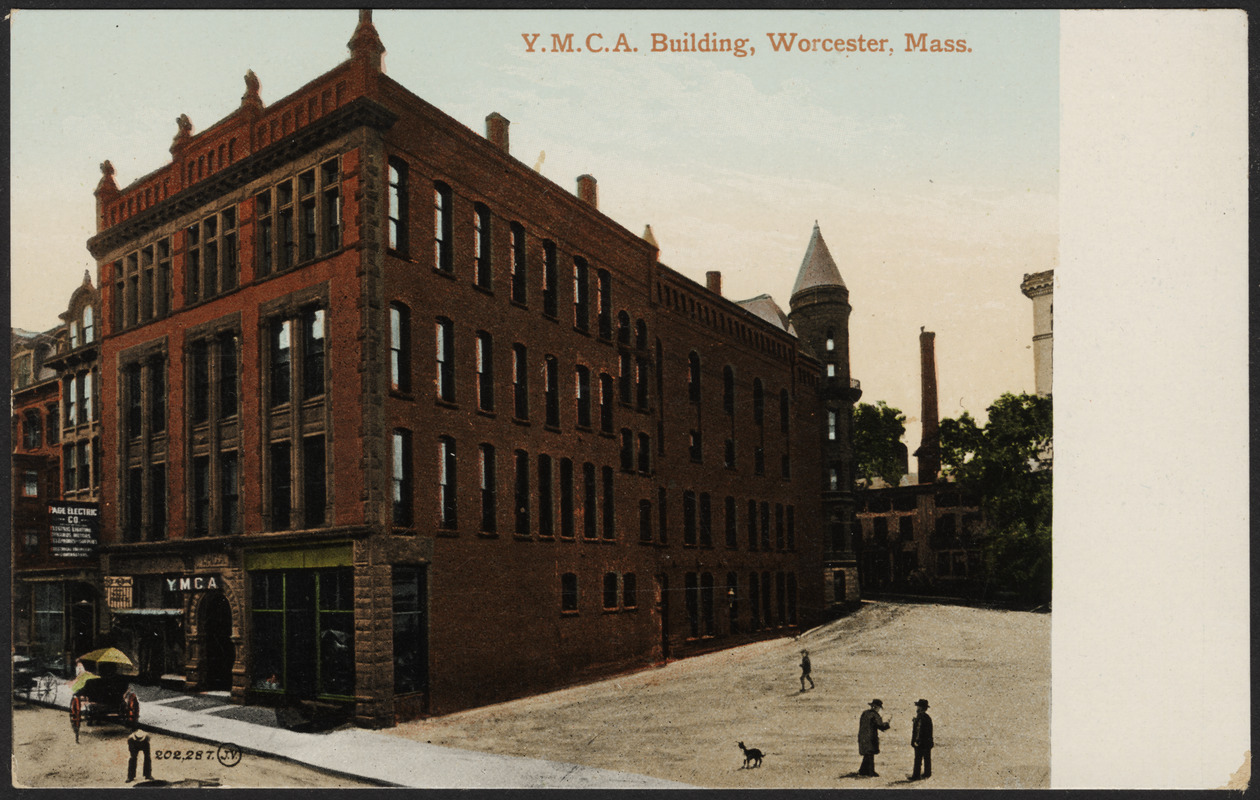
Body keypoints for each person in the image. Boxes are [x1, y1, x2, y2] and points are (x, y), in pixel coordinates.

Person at [857, 698, 891, 776]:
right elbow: (881, 726)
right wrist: (887, 723)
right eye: (879, 708)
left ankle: (862, 770)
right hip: (871, 738)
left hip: (862, 737)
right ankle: (870, 772)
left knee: (867, 754)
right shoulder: (875, 715)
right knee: (870, 754)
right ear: (877, 707)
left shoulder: (865, 713)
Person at [910, 699, 934, 780]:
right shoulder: (927, 717)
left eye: (918, 706)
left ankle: (916, 776)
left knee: (918, 759)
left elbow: (919, 730)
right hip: (927, 742)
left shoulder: (921, 717)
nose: (917, 708)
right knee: (926, 758)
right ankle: (927, 774)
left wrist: (915, 741)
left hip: (921, 742)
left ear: (921, 708)